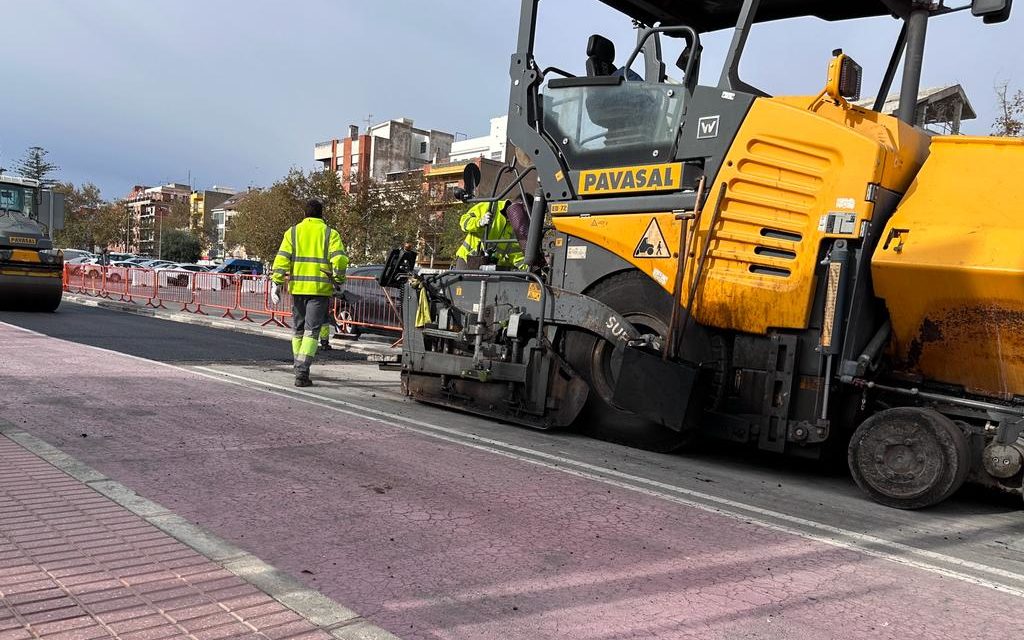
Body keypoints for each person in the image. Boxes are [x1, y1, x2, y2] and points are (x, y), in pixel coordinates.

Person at [270, 199, 348, 387]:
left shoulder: (293, 232)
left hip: (298, 290)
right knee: (311, 331)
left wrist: (276, 283)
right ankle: (302, 372)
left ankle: (298, 366)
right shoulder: (330, 233)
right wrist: (338, 280)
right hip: (319, 291)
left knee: (297, 330)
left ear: (304, 215)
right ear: (322, 215)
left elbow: (282, 259)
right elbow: (340, 260)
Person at [454, 200, 527, 270]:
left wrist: (529, 268)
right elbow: (464, 221)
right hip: (467, 259)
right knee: (461, 283)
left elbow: (515, 253)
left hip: (488, 266)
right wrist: (479, 222)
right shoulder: (490, 206)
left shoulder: (516, 226)